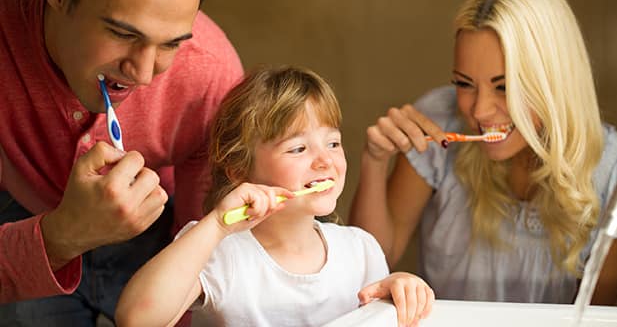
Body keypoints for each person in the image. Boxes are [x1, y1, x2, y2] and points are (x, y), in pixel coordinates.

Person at [350, 0, 617, 304]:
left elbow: (590, 319)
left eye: (504, 87)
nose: (480, 110)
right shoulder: (437, 124)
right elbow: (368, 268)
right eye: (464, 83)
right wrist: (374, 160)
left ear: (554, 81)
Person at [0, 0, 243, 324]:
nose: (144, 75)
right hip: (22, 219)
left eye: (171, 43)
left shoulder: (212, 74)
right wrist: (61, 237)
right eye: (122, 33)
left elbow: (203, 254)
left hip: (162, 229)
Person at [115, 66, 435, 327]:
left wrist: (400, 287)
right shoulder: (217, 251)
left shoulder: (361, 250)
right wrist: (215, 227)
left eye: (333, 143)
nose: (325, 161)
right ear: (239, 170)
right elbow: (136, 319)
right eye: (298, 148)